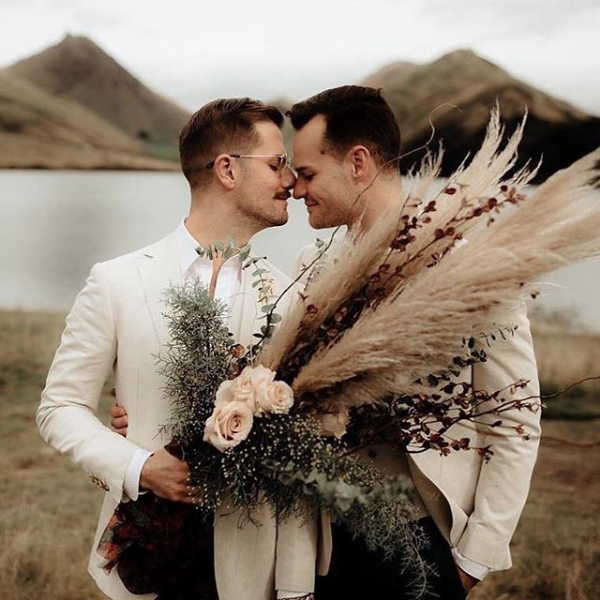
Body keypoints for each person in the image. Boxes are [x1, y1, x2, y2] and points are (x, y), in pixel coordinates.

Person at [111, 86, 541, 599]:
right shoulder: (310, 271)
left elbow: (515, 419)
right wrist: (151, 410)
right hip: (317, 540)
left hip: (423, 543)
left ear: (358, 163)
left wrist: (473, 557)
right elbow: (268, 384)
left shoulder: (469, 269)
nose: (294, 188)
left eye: (309, 172)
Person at [37, 98, 317, 600]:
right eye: (277, 163)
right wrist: (137, 465)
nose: (291, 180)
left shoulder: (289, 295)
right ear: (227, 170)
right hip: (147, 558)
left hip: (252, 565)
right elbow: (60, 407)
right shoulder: (117, 281)